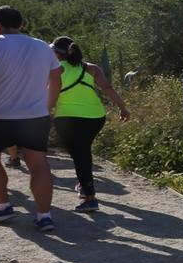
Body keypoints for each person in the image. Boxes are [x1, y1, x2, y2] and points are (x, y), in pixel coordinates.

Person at [0, 6, 63, 230]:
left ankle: (2, 207)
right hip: (34, 116)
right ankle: (44, 216)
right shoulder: (42, 46)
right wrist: (48, 106)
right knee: (39, 164)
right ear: (21, 24)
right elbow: (56, 79)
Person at [49, 37, 131, 212]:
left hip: (66, 118)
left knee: (79, 154)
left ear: (57, 53)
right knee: (83, 151)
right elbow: (107, 88)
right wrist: (122, 107)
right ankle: (83, 184)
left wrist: (41, 113)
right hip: (95, 117)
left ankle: (90, 197)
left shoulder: (55, 70)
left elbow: (50, 95)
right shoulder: (91, 68)